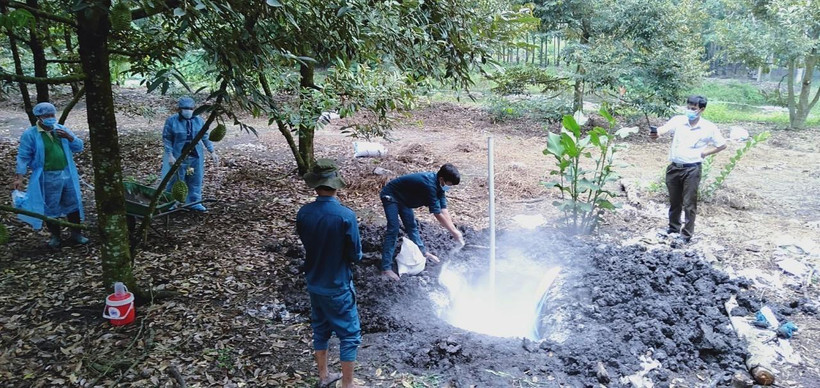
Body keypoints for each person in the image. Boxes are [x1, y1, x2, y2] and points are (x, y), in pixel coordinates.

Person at [296, 159, 363, 388]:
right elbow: (355, 254)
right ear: (336, 185)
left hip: (314, 282)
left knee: (320, 329)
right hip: (338, 285)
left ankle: (324, 376)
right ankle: (347, 384)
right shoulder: (345, 216)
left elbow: (305, 241)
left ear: (315, 186)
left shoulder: (304, 213)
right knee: (349, 335)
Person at [651, 95, 726, 243]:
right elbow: (662, 130)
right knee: (674, 201)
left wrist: (705, 153)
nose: (690, 111)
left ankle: (686, 235)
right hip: (674, 167)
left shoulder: (708, 128)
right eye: (688, 108)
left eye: (694, 108)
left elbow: (722, 145)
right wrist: (656, 134)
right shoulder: (679, 121)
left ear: (701, 109)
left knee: (689, 203)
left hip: (692, 169)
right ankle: (673, 228)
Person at [14, 102, 88, 248]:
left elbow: (79, 147)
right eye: (46, 116)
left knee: (72, 203)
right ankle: (56, 236)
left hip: (67, 173)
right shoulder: (31, 134)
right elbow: (23, 156)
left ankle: (76, 234)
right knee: (50, 206)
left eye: (52, 115)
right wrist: (19, 177)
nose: (50, 118)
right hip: (47, 176)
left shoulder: (61, 130)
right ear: (39, 117)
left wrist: (69, 137)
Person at [379, 163, 465, 281]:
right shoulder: (429, 185)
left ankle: (423, 252)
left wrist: (454, 231)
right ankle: (386, 268)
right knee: (394, 229)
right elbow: (437, 214)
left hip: (404, 199)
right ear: (442, 179)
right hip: (391, 195)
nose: (449, 187)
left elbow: (443, 209)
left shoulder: (440, 186)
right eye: (449, 184)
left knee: (412, 226)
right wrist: (454, 232)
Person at [160, 96, 218, 212]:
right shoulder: (172, 121)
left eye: (191, 108)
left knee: (195, 178)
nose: (188, 111)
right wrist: (170, 155)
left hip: (195, 155)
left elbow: (205, 136)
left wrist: (212, 151)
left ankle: (194, 202)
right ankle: (170, 202)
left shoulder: (199, 121)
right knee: (175, 179)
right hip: (178, 155)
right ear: (179, 109)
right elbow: (167, 138)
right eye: (185, 108)